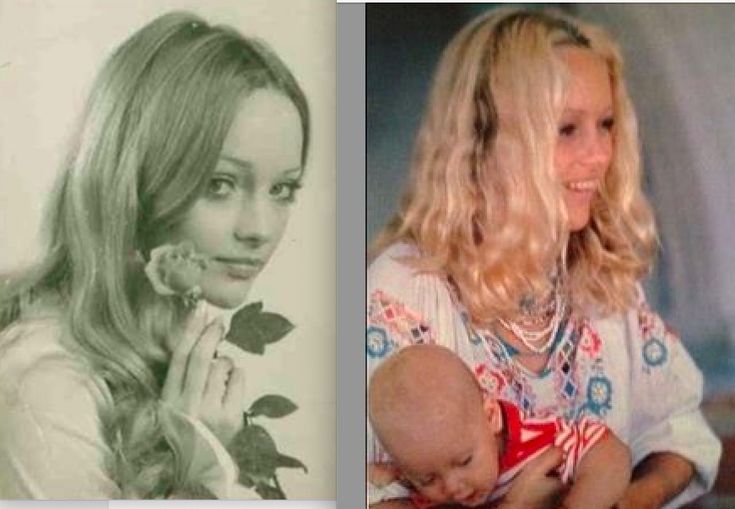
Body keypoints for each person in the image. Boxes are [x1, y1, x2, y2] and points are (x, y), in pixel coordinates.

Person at [367, 7, 721, 509]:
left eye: (605, 124)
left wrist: (634, 499)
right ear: (486, 139)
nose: (599, 154)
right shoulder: (401, 293)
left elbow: (679, 433)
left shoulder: (604, 281)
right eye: (567, 129)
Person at [0, 10, 309, 499]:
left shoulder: (170, 339)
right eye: (220, 184)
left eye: (283, 189)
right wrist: (200, 468)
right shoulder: (43, 391)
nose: (260, 229)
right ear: (136, 180)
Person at [369, 344, 631, 509]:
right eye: (428, 478)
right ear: (402, 468)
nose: (452, 487)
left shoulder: (535, 442)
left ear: (491, 415)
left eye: (464, 461)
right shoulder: (415, 483)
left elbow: (610, 453)